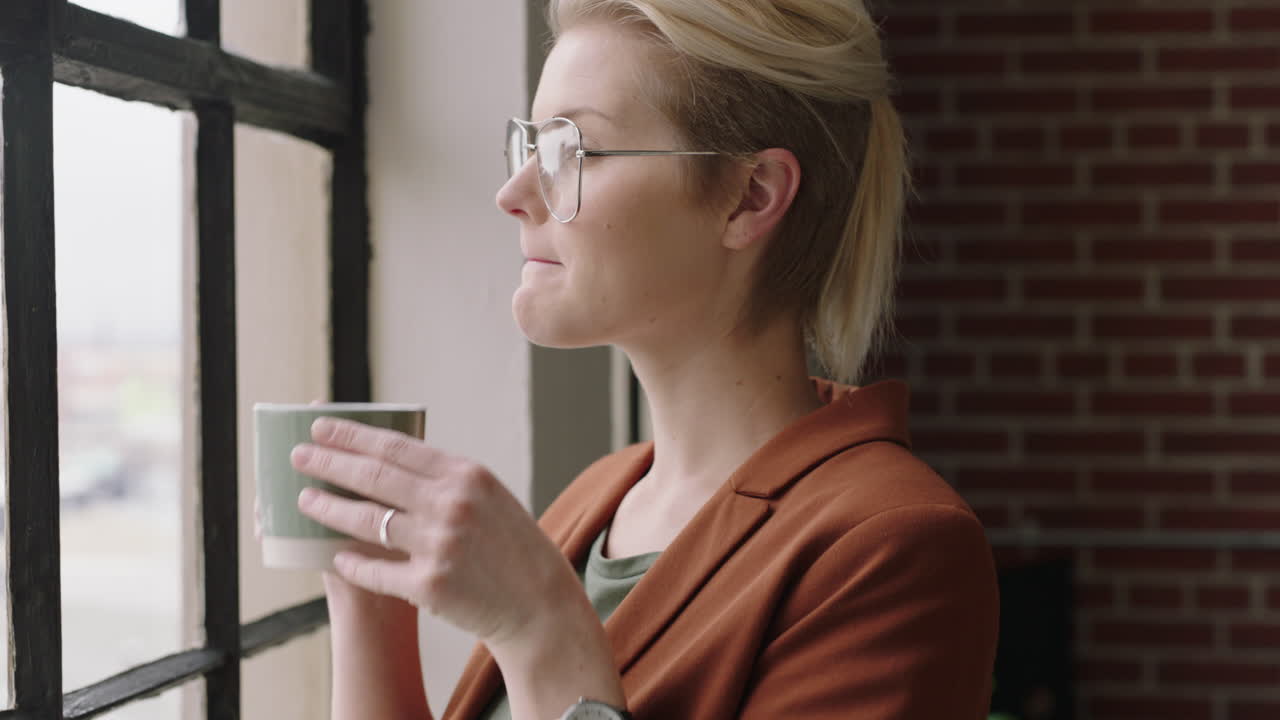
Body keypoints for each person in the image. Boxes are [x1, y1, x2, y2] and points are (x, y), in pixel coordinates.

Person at [286, 1, 1000, 718]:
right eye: (530, 146)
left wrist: (541, 630)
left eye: (572, 150)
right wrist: (367, 606)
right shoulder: (594, 503)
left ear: (749, 197)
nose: (513, 194)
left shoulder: (892, 545)